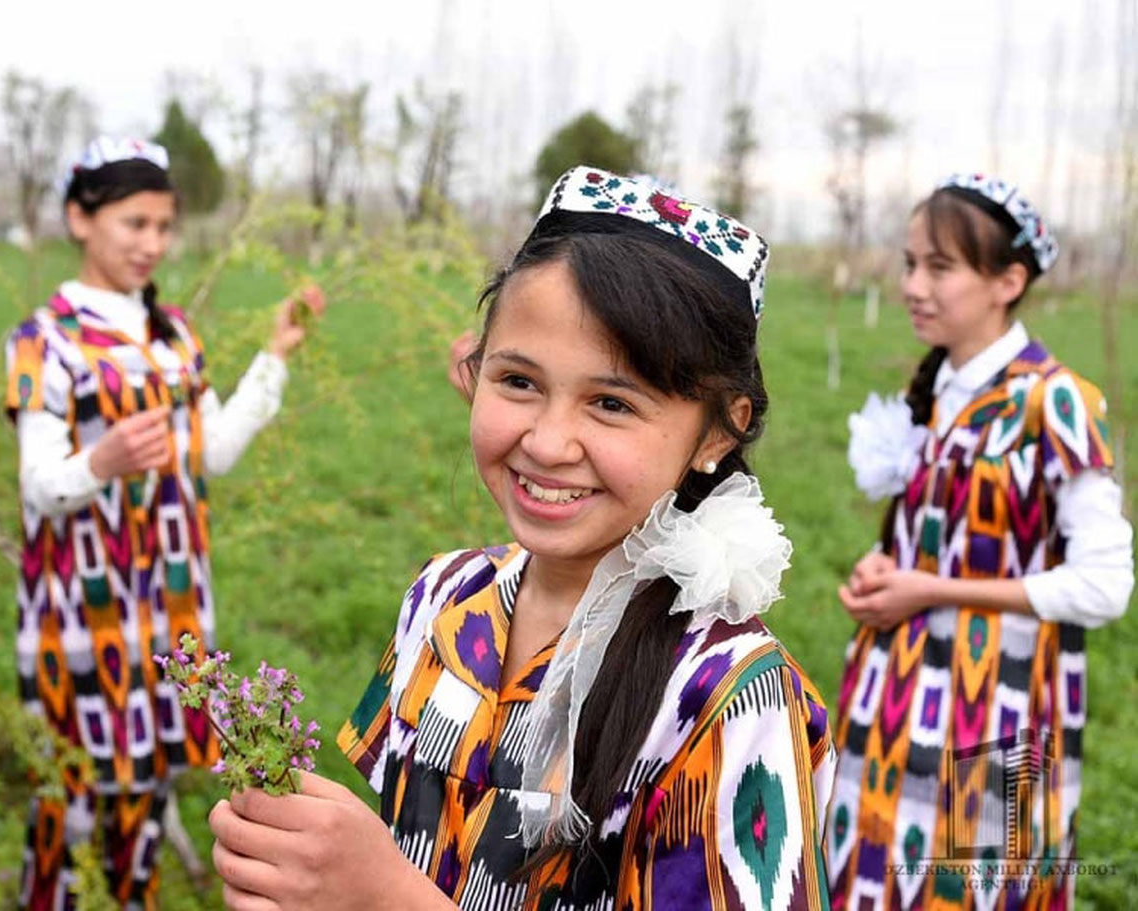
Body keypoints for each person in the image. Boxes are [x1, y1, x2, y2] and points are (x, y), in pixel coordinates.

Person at [207, 167, 834, 910]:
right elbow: (409, 843)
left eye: (610, 402)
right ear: (473, 371)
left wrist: (384, 896)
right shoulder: (442, 598)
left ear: (718, 432)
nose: (547, 440)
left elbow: (394, 882)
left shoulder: (728, 696)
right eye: (519, 382)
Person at [5, 136, 324, 909]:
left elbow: (208, 453)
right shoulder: (42, 340)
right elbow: (41, 484)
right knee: (74, 789)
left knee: (146, 780)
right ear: (81, 218)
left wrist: (274, 356)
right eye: (133, 223)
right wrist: (102, 462)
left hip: (171, 601)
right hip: (83, 606)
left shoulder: (173, 333)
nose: (152, 244)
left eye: (163, 226)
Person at [831, 173, 1134, 909]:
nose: (913, 285)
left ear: (1009, 279)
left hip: (1000, 700)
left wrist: (932, 588)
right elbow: (944, 529)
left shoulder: (1054, 399)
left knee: (971, 882)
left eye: (940, 267)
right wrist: (889, 565)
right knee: (868, 867)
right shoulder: (937, 386)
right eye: (909, 263)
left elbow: (1105, 585)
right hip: (894, 690)